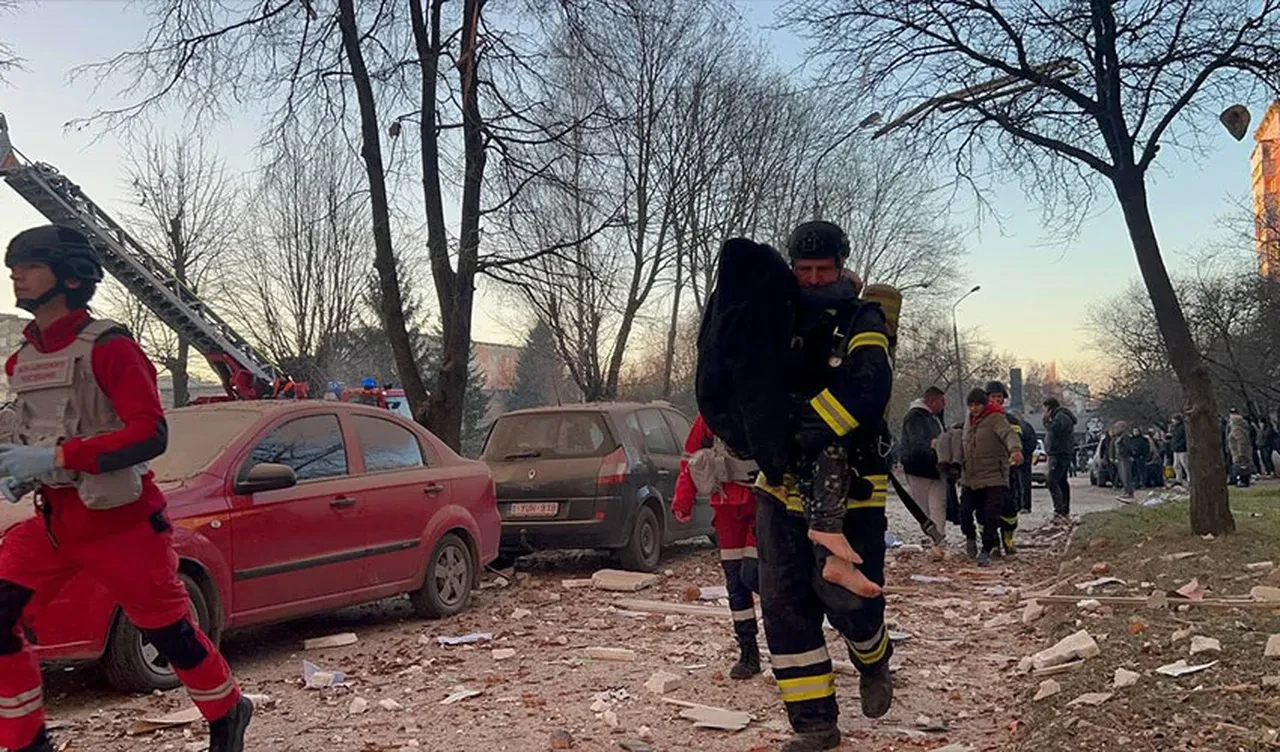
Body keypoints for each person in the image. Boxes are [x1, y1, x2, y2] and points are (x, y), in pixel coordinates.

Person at [0, 226, 252, 752]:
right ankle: (26, 743)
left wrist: (56, 457)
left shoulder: (111, 348)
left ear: (69, 276)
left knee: (168, 632)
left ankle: (228, 711)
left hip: (123, 524)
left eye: (29, 263)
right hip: (54, 522)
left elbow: (149, 434)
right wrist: (21, 464)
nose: (14, 271)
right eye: (13, 263)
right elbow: (29, 429)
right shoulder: (21, 360)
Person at [698, 225, 895, 751]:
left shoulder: (862, 318)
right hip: (780, 485)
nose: (812, 280)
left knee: (847, 598)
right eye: (804, 272)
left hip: (852, 485)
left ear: (840, 267)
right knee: (783, 605)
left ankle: (874, 658)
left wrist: (813, 421)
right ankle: (814, 726)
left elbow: (869, 385)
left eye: (823, 271)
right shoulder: (776, 315)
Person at [671, 413, 762, 680]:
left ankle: (786, 642)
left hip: (765, 502)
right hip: (726, 503)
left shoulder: (765, 397)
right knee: (736, 583)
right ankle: (748, 651)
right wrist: (683, 499)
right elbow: (690, 456)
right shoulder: (714, 409)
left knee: (756, 574)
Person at [961, 388, 1024, 566]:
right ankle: (970, 537)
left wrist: (1016, 450)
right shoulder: (968, 421)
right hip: (971, 477)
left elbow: (1009, 434)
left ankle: (986, 550)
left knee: (991, 515)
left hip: (993, 476)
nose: (974, 409)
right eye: (971, 405)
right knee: (965, 512)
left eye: (977, 405)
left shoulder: (996, 418)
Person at [901, 387, 947, 559]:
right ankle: (934, 536)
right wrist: (934, 447)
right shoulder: (915, 417)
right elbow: (916, 443)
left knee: (938, 504)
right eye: (942, 401)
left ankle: (938, 538)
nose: (944, 405)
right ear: (932, 401)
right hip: (919, 468)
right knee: (925, 507)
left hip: (934, 468)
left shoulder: (933, 417)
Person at [980, 381, 1020, 553]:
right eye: (992, 397)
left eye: (999, 397)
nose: (996, 400)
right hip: (984, 472)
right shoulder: (977, 419)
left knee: (1009, 509)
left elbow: (1018, 440)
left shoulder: (1011, 421)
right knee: (984, 510)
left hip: (1006, 472)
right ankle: (992, 542)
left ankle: (1008, 538)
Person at [1042, 397, 1076, 523]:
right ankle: (1064, 508)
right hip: (1060, 453)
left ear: (1050, 408)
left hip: (1059, 453)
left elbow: (1055, 429)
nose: (1044, 412)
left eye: (1045, 409)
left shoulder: (1061, 416)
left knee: (1052, 480)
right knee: (1061, 481)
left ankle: (1060, 509)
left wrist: (1046, 420)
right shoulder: (1062, 416)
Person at [1008, 410, 1037, 515]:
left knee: (1024, 483)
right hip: (1016, 459)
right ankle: (1019, 505)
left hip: (1023, 459)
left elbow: (1032, 442)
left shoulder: (1025, 427)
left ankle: (1025, 505)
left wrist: (1023, 454)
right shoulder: (1020, 427)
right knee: (1016, 483)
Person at [1228, 409, 1253, 487]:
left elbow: (1241, 441)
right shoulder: (1243, 428)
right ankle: (1244, 480)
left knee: (1240, 467)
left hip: (1238, 452)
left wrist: (1240, 453)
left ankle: (1243, 481)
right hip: (1243, 451)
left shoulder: (1236, 429)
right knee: (1243, 466)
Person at [1169, 415, 1189, 485]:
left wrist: (1179, 445)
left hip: (1182, 449)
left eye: (1174, 420)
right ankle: (1178, 479)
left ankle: (1189, 478)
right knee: (1176, 465)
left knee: (1185, 464)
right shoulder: (1174, 428)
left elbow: (1184, 438)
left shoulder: (1183, 428)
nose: (1173, 421)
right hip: (1176, 449)